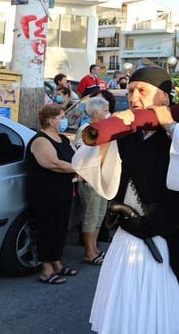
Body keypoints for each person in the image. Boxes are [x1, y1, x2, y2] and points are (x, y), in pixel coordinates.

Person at [73, 66, 179, 333]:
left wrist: (169, 124)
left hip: (174, 235)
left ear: (164, 99)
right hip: (132, 237)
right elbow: (96, 174)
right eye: (131, 91)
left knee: (167, 316)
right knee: (130, 315)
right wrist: (105, 138)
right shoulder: (124, 132)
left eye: (142, 91)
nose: (134, 98)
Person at [25, 104, 77, 284]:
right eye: (61, 117)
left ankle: (57, 264)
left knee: (60, 228)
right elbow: (53, 164)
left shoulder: (63, 138)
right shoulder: (40, 140)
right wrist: (80, 169)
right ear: (51, 120)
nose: (64, 120)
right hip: (45, 192)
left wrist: (80, 167)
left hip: (63, 190)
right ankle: (46, 270)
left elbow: (75, 157)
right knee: (47, 229)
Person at [73, 97, 110, 266]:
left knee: (99, 215)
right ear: (96, 113)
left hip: (102, 178)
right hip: (90, 179)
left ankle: (94, 248)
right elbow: (86, 152)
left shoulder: (104, 127)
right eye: (105, 111)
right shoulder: (85, 129)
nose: (108, 114)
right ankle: (89, 252)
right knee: (91, 215)